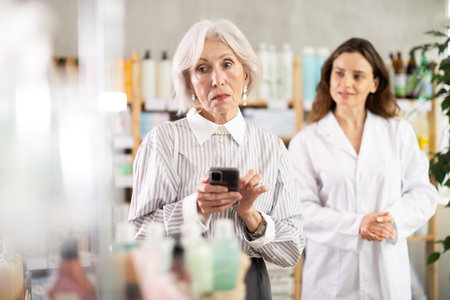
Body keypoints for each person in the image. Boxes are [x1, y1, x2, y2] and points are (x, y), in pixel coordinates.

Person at [128, 19, 305, 300]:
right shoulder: (162, 141)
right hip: (179, 285)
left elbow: (292, 250)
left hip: (248, 286)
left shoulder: (271, 148)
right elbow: (136, 237)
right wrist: (194, 208)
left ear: (245, 74)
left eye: (227, 64)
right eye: (202, 68)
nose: (217, 79)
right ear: (188, 81)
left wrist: (251, 215)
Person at [288, 38, 438, 300]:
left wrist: (390, 221)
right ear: (329, 78)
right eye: (339, 73)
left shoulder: (398, 132)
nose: (346, 83)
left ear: (374, 84)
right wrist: (357, 225)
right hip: (331, 281)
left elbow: (423, 193)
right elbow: (301, 210)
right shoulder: (306, 141)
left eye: (358, 76)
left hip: (388, 279)